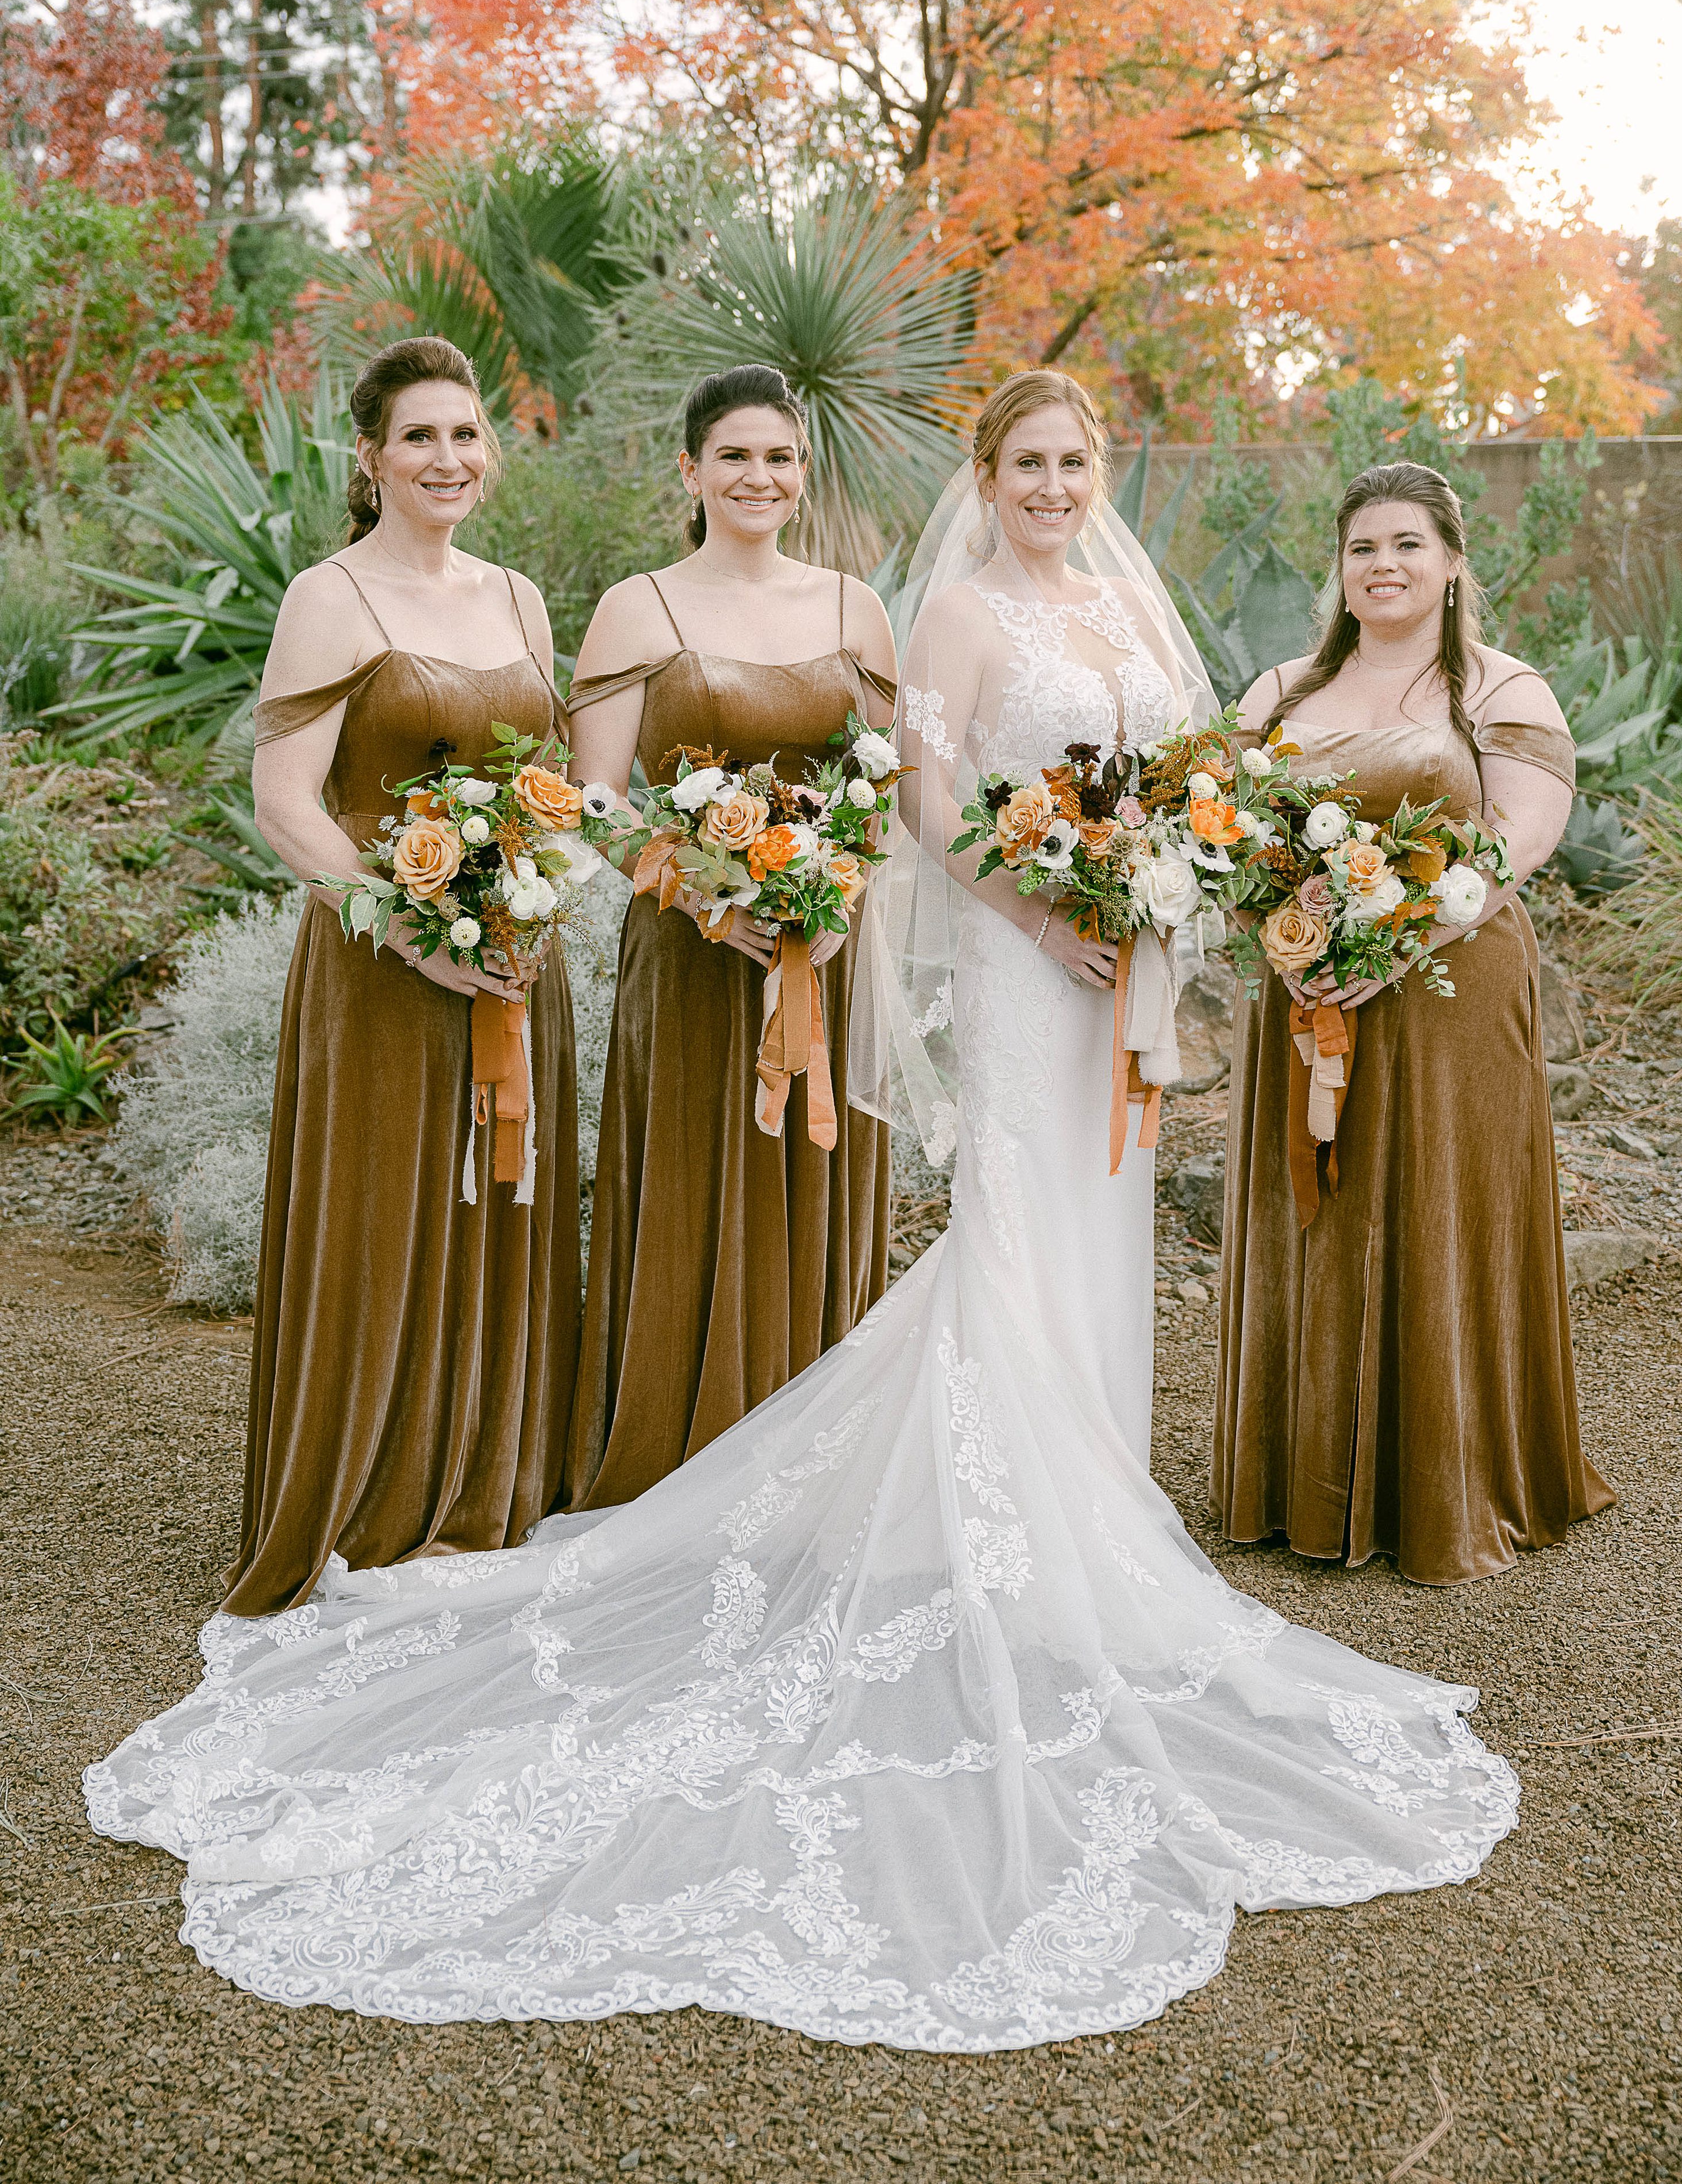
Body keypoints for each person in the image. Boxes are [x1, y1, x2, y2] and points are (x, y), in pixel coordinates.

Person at [86, 379, 1519, 2050]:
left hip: (1101, 953)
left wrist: (1147, 893)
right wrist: (1003, 903)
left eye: (1076, 460)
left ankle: (1092, 1508)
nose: (1054, 483)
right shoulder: (943, 608)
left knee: (1102, 1219)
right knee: (1014, 1218)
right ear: (979, 480)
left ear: (1101, 473)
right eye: (1027, 462)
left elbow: (1179, 778)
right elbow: (913, 801)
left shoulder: (1109, 601)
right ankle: (998, 1524)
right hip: (1003, 953)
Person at [1212, 458, 1616, 1585]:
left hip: (1449, 994)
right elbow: (1234, 842)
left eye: (1406, 546)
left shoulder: (1499, 688)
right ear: (1337, 575)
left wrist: (1388, 947)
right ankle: (1304, 1483)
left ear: (1450, 565)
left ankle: (1453, 1481)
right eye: (1361, 548)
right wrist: (1287, 943)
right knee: (1320, 1217)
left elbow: (1514, 845)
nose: (1383, 566)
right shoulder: (1278, 695)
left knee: (1446, 1207)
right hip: (1303, 991)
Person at [229, 334, 583, 1616]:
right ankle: (372, 1490)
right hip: (383, 969)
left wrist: (527, 897)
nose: (450, 457)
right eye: (420, 436)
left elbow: (555, 792)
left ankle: (487, 1481)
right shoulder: (331, 596)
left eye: (467, 433)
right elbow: (286, 806)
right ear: (369, 455)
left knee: (500, 1206)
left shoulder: (521, 599)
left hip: (510, 963)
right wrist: (413, 930)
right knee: (388, 1210)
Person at [564, 363, 896, 1509]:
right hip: (689, 951)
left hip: (818, 950)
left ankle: (813, 1464)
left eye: (782, 458)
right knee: (697, 1189)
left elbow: (883, 787)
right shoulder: (639, 607)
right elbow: (594, 796)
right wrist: (708, 893)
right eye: (738, 456)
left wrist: (837, 888)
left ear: (805, 474)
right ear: (692, 469)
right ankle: (677, 1446)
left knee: (808, 1180)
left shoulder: (858, 608)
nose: (761, 477)